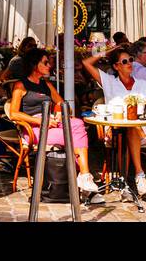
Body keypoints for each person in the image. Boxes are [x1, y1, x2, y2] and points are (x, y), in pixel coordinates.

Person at [8, 48, 100, 195]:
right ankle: (85, 177)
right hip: (34, 128)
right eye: (45, 62)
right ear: (34, 65)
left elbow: (63, 105)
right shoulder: (21, 85)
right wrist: (41, 121)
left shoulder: (47, 85)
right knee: (75, 139)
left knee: (78, 123)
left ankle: (84, 177)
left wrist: (58, 113)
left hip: (51, 123)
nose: (49, 65)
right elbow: (13, 114)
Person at [83, 46, 146, 195]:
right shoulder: (109, 81)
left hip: (137, 130)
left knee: (131, 129)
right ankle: (139, 175)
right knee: (129, 130)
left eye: (131, 60)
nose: (129, 63)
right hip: (113, 130)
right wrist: (106, 52)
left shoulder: (142, 84)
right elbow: (86, 63)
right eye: (124, 61)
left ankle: (134, 177)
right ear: (116, 66)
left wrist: (144, 108)